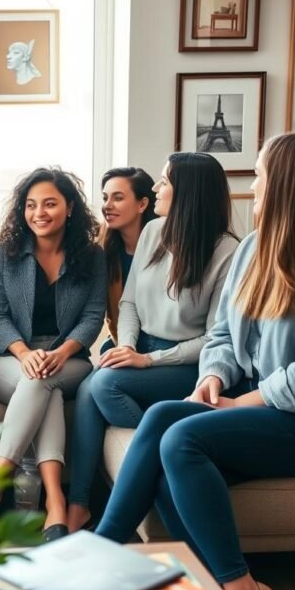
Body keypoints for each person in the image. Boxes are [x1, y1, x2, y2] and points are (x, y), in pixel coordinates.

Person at [95, 131, 295, 590]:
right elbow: (221, 331)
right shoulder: (256, 248)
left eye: (259, 174)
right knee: (161, 421)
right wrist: (214, 377)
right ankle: (117, 551)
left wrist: (246, 403)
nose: (253, 184)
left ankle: (233, 588)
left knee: (182, 442)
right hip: (256, 405)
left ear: (288, 183)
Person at [67, 151, 238, 533]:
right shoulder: (152, 232)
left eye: (165, 181)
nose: (157, 188)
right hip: (141, 344)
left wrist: (149, 361)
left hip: (186, 363)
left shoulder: (227, 252)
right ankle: (79, 503)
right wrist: (128, 348)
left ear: (188, 193)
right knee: (91, 385)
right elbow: (129, 302)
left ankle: (163, 443)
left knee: (105, 384)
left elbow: (215, 338)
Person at [0, 167, 106, 539]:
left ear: (69, 208)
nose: (39, 213)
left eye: (50, 204)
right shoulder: (7, 251)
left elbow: (94, 316)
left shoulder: (91, 255)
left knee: (42, 380)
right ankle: (55, 502)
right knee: (37, 381)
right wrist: (23, 353)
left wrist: (62, 352)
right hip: (10, 360)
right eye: (31, 205)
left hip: (69, 361)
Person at [98, 166, 157, 349]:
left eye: (118, 198)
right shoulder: (101, 247)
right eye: (105, 198)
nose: (107, 206)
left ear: (142, 204)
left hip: (159, 346)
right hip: (120, 342)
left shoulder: (166, 247)